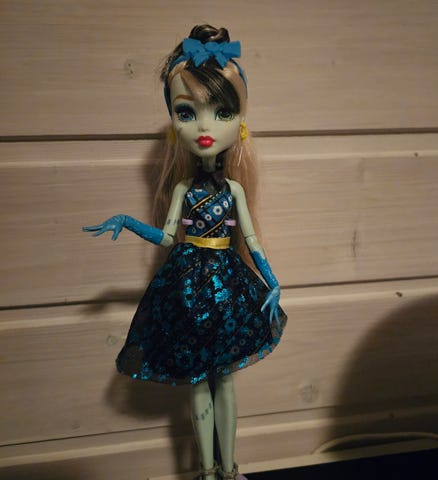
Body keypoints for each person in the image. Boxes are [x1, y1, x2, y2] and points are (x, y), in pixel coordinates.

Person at [83, 24, 287, 480]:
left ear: (241, 121)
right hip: (187, 290)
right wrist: (128, 221)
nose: (206, 126)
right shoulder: (182, 189)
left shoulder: (233, 189)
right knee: (198, 380)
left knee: (224, 379)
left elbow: (251, 240)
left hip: (228, 287)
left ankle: (230, 470)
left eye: (222, 111)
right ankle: (206, 470)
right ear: (175, 124)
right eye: (187, 112)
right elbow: (166, 238)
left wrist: (273, 282)